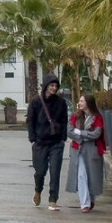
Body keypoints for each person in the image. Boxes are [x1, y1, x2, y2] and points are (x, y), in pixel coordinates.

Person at [26, 74, 68, 210]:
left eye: (56, 86)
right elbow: (30, 121)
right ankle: (38, 190)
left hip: (56, 143)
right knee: (40, 171)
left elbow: (64, 121)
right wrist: (32, 140)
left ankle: (53, 200)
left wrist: (63, 138)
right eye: (51, 85)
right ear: (46, 86)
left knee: (55, 172)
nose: (54, 88)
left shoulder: (61, 102)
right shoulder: (35, 102)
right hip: (40, 142)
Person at [65, 94, 106, 212]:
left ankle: (91, 198)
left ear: (88, 103)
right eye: (80, 101)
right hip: (78, 149)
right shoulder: (75, 116)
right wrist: (83, 136)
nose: (80, 102)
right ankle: (85, 203)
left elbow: (96, 134)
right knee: (81, 175)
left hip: (92, 149)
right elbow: (69, 131)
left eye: (82, 101)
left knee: (92, 175)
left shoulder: (97, 117)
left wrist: (80, 133)